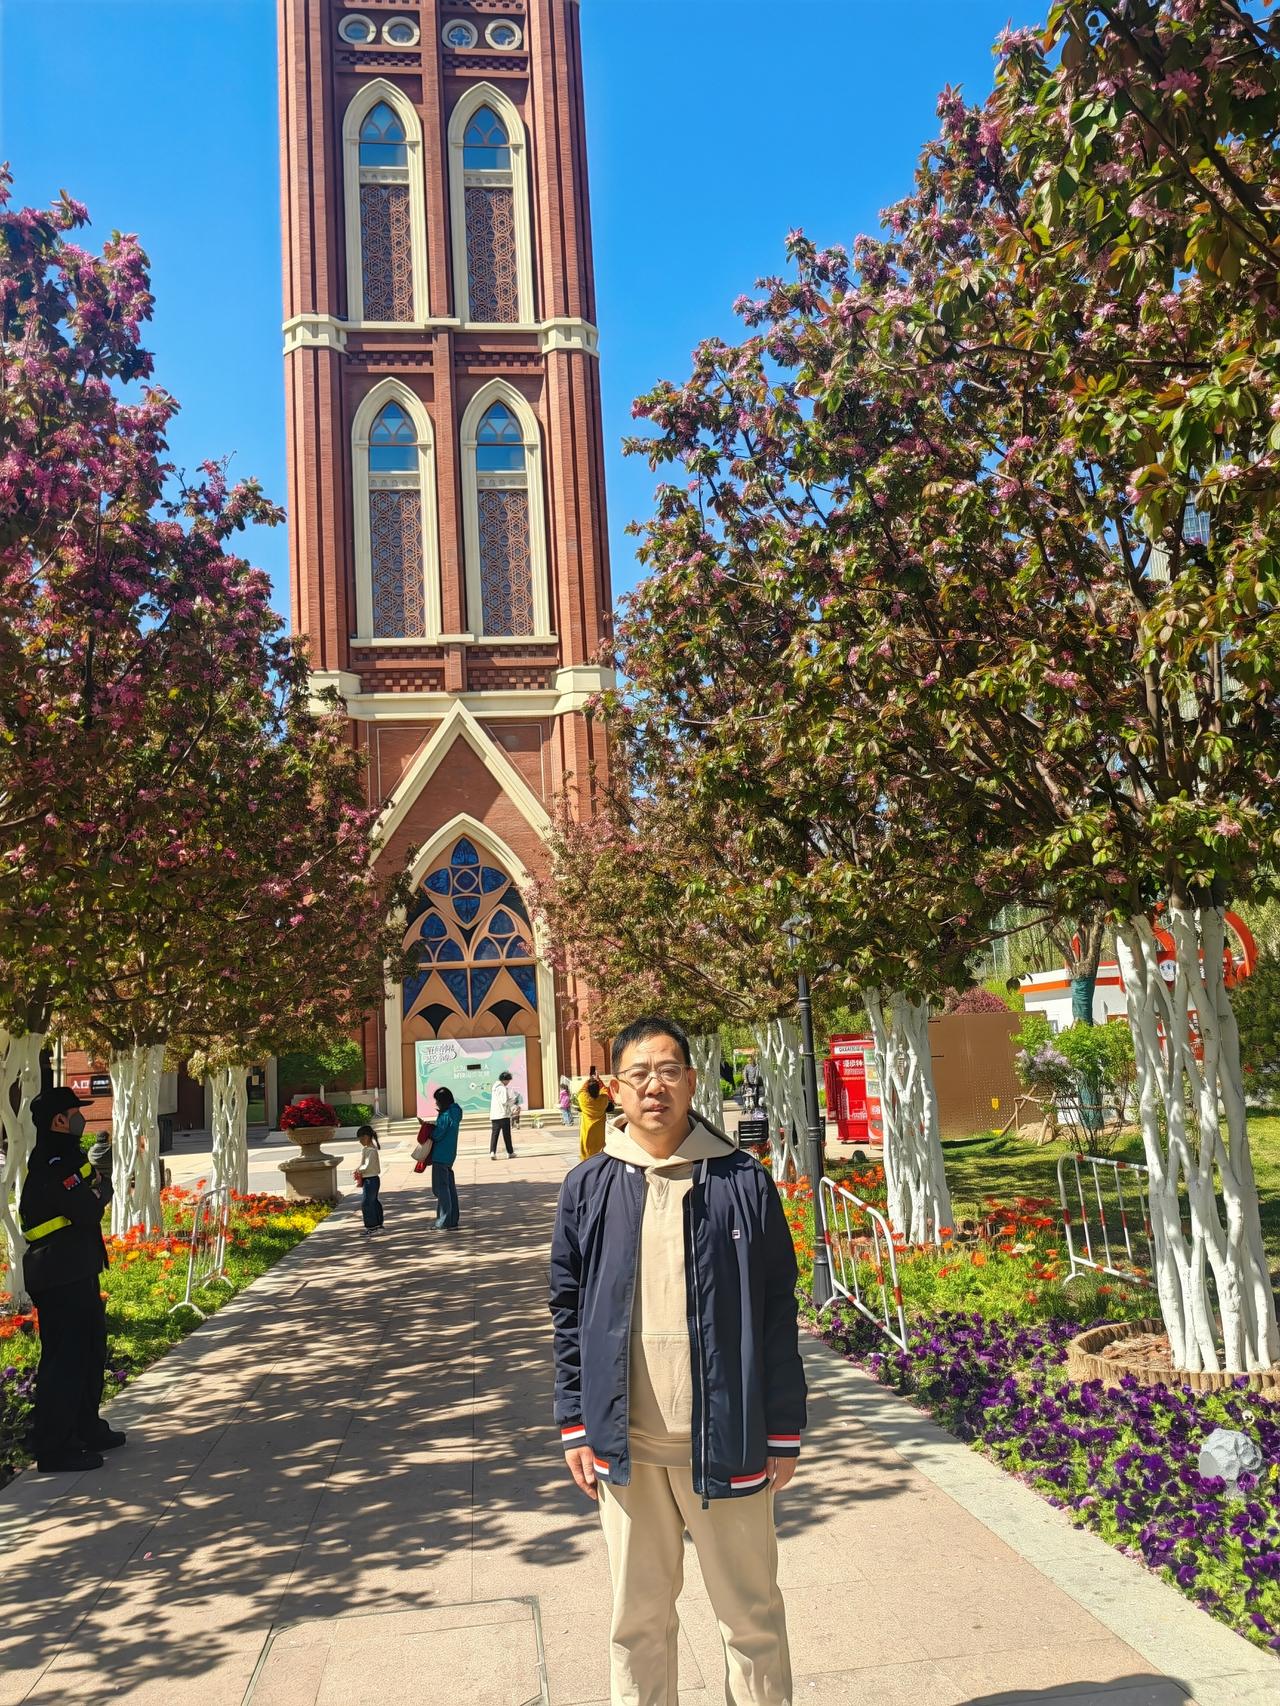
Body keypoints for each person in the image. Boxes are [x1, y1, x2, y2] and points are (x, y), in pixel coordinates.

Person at [549, 1015, 805, 1706]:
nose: (653, 1087)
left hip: (727, 1441)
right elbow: (568, 1313)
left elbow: (778, 1312)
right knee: (637, 1623)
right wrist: (575, 1419)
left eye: (667, 1072)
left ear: (692, 1082)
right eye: (638, 1074)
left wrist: (783, 1428)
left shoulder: (742, 1184)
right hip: (628, 1448)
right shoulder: (590, 1187)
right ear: (615, 1090)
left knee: (750, 1618)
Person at [20, 1086, 126, 1473]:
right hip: (58, 1273)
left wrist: (98, 1188)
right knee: (64, 1361)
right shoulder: (52, 1162)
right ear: (59, 1121)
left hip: (77, 1267)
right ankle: (54, 1448)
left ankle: (86, 1427)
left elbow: (96, 1188)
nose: (82, 1117)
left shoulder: (68, 1156)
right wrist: (99, 1192)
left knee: (90, 1351)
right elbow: (87, 1207)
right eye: (74, 1112)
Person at [429, 1086, 462, 1230]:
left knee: (440, 1189)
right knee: (449, 1189)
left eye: (437, 1101)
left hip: (440, 1155)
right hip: (449, 1155)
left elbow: (438, 1134)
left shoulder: (445, 1115)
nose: (436, 1104)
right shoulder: (455, 1112)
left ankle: (444, 1221)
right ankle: (452, 1219)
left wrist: (429, 1130)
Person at [353, 1125, 383, 1235]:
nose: (360, 1141)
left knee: (367, 1203)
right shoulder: (368, 1149)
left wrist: (359, 1170)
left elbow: (367, 1165)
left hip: (371, 1179)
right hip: (371, 1179)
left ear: (366, 1137)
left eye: (361, 1138)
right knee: (373, 1201)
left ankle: (372, 1227)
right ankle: (378, 1224)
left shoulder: (370, 1150)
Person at [576, 1069, 609, 1162]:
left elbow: (581, 1090)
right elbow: (605, 1090)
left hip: (587, 1134)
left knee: (586, 1157)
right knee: (600, 1156)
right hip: (600, 1135)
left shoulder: (584, 1099)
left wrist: (589, 1080)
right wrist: (599, 1080)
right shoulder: (603, 1100)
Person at [489, 1070, 516, 1158]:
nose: (508, 1082)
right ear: (505, 1080)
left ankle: (492, 1152)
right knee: (507, 1135)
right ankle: (510, 1152)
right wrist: (513, 1100)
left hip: (495, 1115)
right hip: (503, 1114)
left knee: (494, 1135)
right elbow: (504, 1101)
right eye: (508, 1080)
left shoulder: (494, 1088)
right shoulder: (502, 1088)